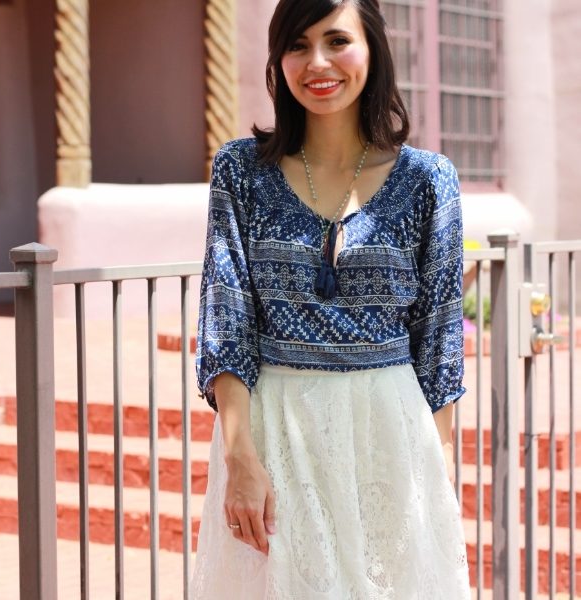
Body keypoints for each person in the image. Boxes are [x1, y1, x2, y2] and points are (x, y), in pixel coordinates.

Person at [191, 0, 470, 597]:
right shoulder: (241, 171)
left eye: (336, 40)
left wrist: (435, 474)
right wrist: (240, 458)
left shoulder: (429, 180)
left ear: (372, 50)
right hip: (273, 437)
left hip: (388, 435)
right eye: (297, 45)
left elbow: (441, 340)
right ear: (278, 59)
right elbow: (226, 318)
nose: (317, 62)